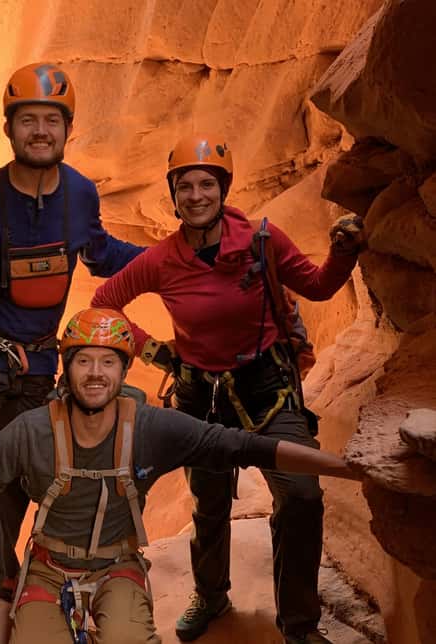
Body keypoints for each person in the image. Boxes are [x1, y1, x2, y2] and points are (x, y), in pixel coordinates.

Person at [0, 308, 361, 643]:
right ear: (67, 368)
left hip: (116, 568)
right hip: (48, 569)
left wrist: (345, 468)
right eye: (84, 361)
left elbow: (244, 446)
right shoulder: (33, 430)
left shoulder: (150, 428)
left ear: (124, 370)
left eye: (108, 362)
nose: (95, 373)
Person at [90, 134, 365, 644]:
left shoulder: (261, 239)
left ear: (223, 190)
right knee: (209, 503)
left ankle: (299, 627)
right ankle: (211, 595)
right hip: (201, 399)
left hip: (267, 391)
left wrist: (344, 253)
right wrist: (154, 351)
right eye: (186, 186)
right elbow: (104, 302)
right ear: (174, 196)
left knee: (301, 496)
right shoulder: (162, 259)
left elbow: (320, 286)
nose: (196, 195)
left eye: (207, 185)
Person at [0, 62, 145, 624]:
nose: (39, 131)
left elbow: (100, 253)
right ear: (9, 129)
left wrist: (165, 260)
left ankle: (6, 567)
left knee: (27, 474)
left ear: (67, 129)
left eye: (51, 121)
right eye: (27, 119)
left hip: (37, 366)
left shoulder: (80, 194)